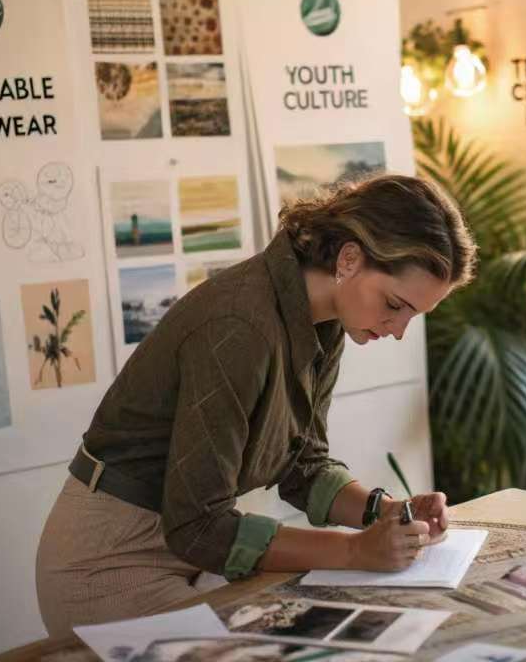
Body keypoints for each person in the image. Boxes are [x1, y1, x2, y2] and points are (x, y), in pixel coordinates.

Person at [36, 173, 478, 633]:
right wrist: (354, 551)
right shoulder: (240, 326)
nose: (398, 328)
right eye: (394, 303)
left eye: (412, 314)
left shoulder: (325, 317)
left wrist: (385, 511)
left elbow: (303, 464)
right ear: (349, 258)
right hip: (110, 557)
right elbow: (199, 527)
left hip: (188, 547)